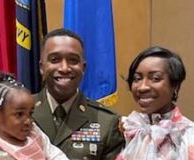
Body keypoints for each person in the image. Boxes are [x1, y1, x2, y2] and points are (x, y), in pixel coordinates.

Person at [116, 46, 194, 160]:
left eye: (155, 78)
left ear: (175, 85)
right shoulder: (124, 130)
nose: (142, 87)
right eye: (137, 78)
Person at [32, 28, 125, 160]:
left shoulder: (107, 122)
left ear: (83, 68)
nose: (64, 68)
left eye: (73, 60)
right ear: (42, 67)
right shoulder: (17, 112)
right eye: (54, 60)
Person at [0, 73, 68, 160]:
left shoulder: (34, 133)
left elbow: (55, 154)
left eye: (30, 114)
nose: (28, 121)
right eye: (19, 114)